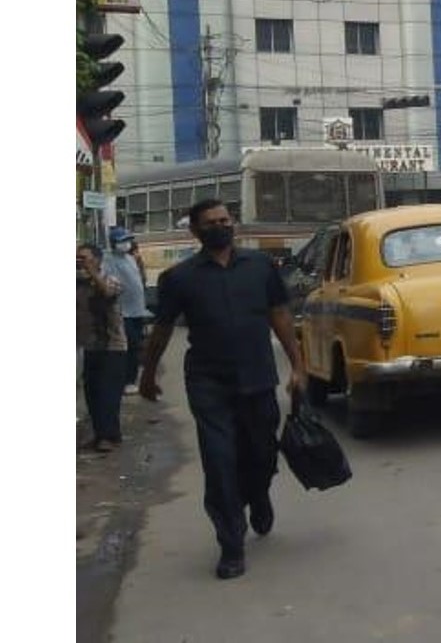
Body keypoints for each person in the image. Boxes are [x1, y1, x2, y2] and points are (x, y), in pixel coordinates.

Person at [139, 199, 307, 580]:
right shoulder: (179, 278)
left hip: (258, 377)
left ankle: (259, 494)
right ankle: (231, 544)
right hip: (208, 381)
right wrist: (148, 374)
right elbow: (162, 329)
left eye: (225, 220)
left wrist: (298, 366)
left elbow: (279, 314)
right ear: (196, 232)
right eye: (211, 222)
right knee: (219, 461)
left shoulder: (260, 266)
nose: (220, 226)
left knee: (261, 453)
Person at [77, 242, 127, 453]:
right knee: (92, 393)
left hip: (112, 346)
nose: (79, 261)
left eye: (84, 257)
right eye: (77, 258)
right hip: (89, 346)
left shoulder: (110, 279)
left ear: (97, 260)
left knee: (108, 394)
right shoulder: (76, 283)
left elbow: (107, 293)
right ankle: (102, 434)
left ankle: (108, 436)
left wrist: (91, 272)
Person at [104, 228, 151, 395]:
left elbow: (138, 280)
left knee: (135, 345)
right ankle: (125, 381)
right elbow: (109, 283)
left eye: (128, 240)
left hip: (137, 310)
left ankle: (131, 379)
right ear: (115, 244)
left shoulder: (130, 258)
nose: (127, 244)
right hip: (122, 312)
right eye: (123, 241)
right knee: (127, 346)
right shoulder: (108, 260)